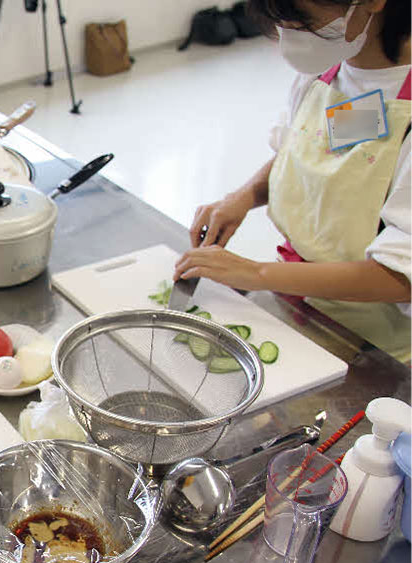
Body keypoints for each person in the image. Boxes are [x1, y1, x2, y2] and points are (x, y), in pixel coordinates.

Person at [175, 0, 411, 360]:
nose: (288, 34)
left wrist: (256, 273)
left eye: (300, 20)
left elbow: (398, 277)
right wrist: (245, 195)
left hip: (377, 348)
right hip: (304, 312)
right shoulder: (330, 73)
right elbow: (321, 146)